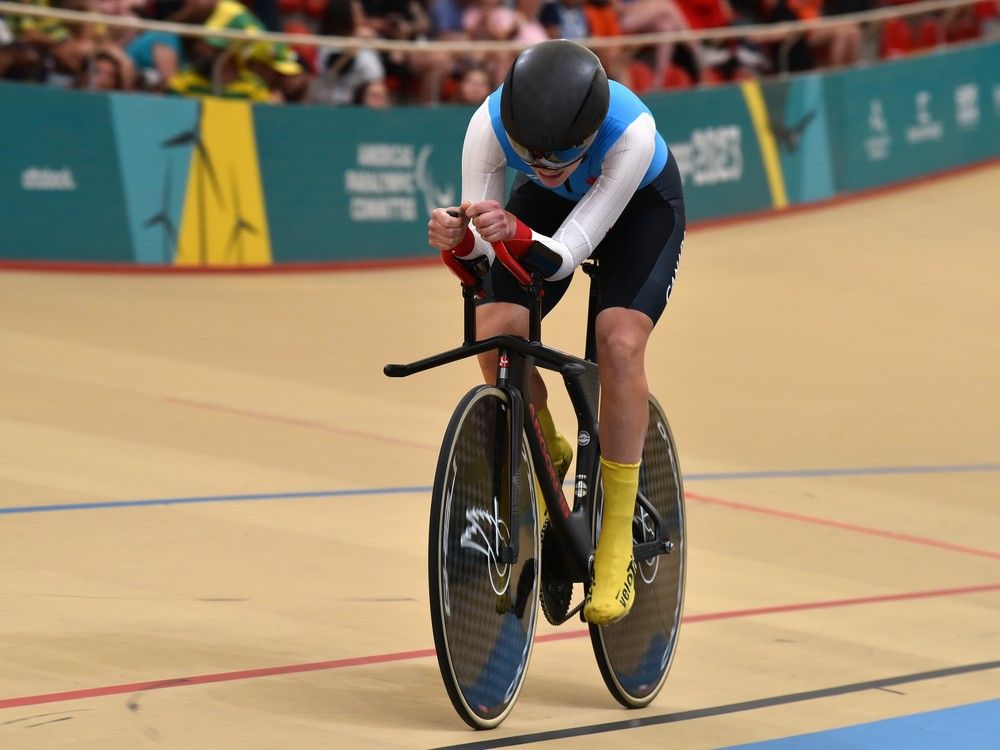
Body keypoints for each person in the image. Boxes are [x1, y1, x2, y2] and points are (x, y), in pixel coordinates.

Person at [427, 39, 685, 625]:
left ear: (590, 134)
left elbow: (565, 255)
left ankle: (615, 539)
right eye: (530, 155)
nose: (541, 165)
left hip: (637, 213)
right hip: (543, 213)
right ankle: (547, 440)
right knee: (495, 330)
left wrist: (511, 234)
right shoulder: (488, 127)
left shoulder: (630, 135)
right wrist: (459, 241)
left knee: (618, 342)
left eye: (558, 155)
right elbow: (487, 260)